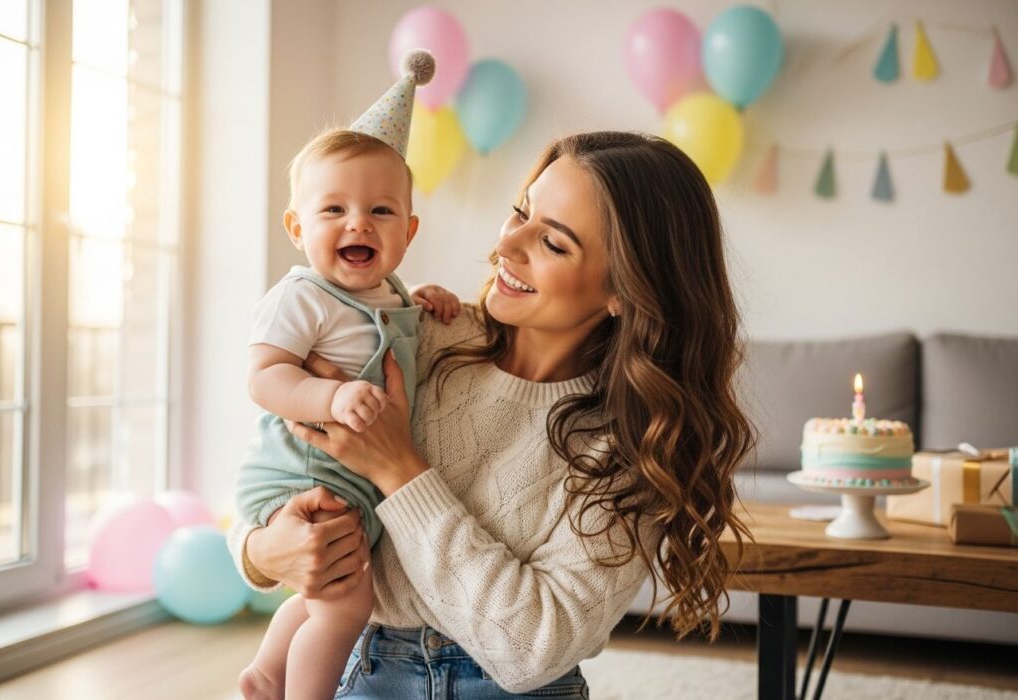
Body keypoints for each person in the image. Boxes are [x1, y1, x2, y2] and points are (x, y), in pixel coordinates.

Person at [229, 130, 755, 698]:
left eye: (553, 243)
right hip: (363, 668)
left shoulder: (636, 440)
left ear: (625, 290)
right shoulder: (422, 336)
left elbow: (533, 651)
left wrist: (399, 471)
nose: (507, 246)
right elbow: (284, 462)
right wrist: (263, 549)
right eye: (520, 212)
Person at [235, 51, 460, 700]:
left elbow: (388, 317)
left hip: (346, 483)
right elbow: (265, 376)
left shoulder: (391, 291)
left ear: (408, 232)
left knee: (321, 594)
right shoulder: (302, 295)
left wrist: (428, 299)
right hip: (301, 472)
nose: (358, 222)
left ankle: (266, 673)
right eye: (333, 210)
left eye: (381, 212)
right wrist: (330, 394)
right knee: (345, 605)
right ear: (296, 226)